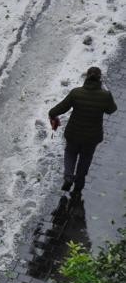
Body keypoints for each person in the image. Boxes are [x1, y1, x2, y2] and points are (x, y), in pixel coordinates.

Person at [48, 66, 117, 194]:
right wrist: (107, 92)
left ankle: (68, 177)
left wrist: (52, 113)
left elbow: (61, 108)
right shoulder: (105, 96)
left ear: (86, 77)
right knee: (86, 157)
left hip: (73, 133)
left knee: (70, 153)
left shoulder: (76, 93)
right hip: (92, 137)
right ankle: (79, 181)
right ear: (99, 79)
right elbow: (111, 110)